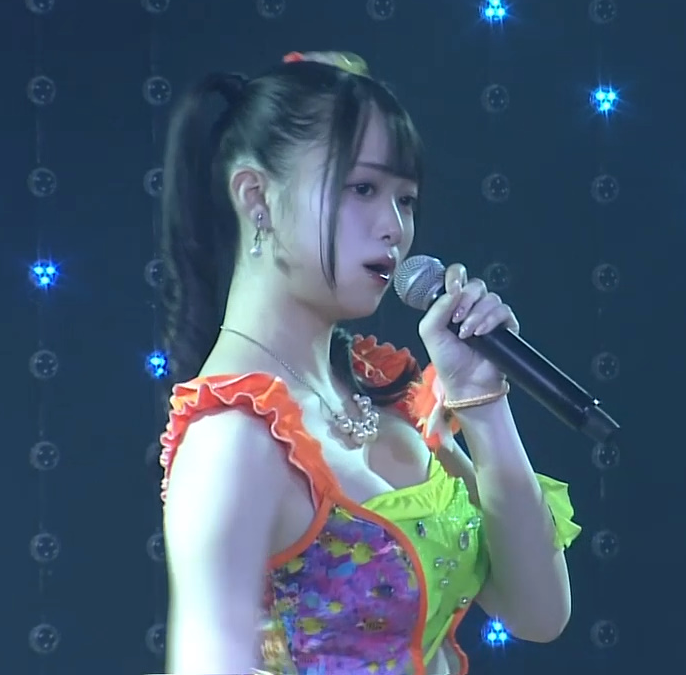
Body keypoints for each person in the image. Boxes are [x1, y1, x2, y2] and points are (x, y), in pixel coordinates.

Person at [156, 50, 582, 675]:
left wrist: (483, 405)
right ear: (257, 197)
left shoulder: (385, 391)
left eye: (406, 200)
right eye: (362, 189)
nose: (395, 228)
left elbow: (538, 613)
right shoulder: (232, 442)